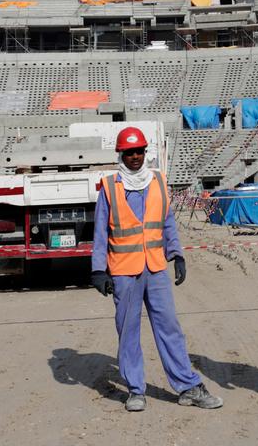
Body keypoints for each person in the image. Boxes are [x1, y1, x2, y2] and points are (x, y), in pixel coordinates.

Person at [91, 126, 223, 413]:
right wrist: (98, 271)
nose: (135, 157)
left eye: (139, 151)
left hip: (156, 268)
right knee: (128, 331)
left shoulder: (158, 182)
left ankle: (188, 386)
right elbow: (100, 233)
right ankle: (136, 390)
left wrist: (177, 254)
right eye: (129, 152)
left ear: (145, 153)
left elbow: (168, 224)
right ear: (121, 155)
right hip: (124, 272)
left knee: (169, 328)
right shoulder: (110, 187)